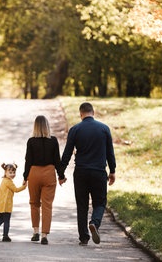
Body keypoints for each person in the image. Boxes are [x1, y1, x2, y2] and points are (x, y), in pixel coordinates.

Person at [61, 102, 116, 246]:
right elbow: (110, 152)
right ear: (93, 112)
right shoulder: (104, 129)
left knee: (82, 205)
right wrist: (113, 171)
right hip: (98, 172)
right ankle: (94, 223)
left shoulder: (75, 129)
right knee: (100, 202)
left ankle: (84, 237)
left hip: (81, 172)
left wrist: (60, 173)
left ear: (81, 114)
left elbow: (67, 153)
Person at [23, 115, 67, 245]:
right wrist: (61, 176)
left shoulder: (31, 141)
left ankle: (35, 231)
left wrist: (25, 177)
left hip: (34, 173)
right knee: (47, 206)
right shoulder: (53, 141)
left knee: (34, 203)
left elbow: (28, 161)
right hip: (49, 173)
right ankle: (44, 235)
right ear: (47, 125)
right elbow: (57, 161)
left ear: (35, 126)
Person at [0, 163, 27, 242]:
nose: (12, 174)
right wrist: (24, 187)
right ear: (5, 172)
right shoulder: (9, 182)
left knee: (1, 218)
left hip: (0, 204)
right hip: (6, 205)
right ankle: (5, 236)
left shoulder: (4, 181)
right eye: (10, 172)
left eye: (14, 172)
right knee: (7, 220)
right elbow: (16, 190)